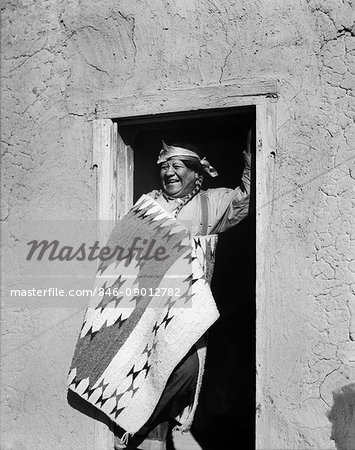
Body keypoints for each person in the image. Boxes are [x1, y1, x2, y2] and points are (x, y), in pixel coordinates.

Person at [114, 131, 252, 449]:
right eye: (165, 166)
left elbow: (245, 197)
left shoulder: (212, 202)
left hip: (187, 311)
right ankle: (148, 431)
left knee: (187, 368)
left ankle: (138, 426)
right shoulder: (149, 203)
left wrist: (251, 149)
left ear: (194, 171)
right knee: (147, 376)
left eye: (177, 166)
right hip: (148, 310)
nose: (169, 172)